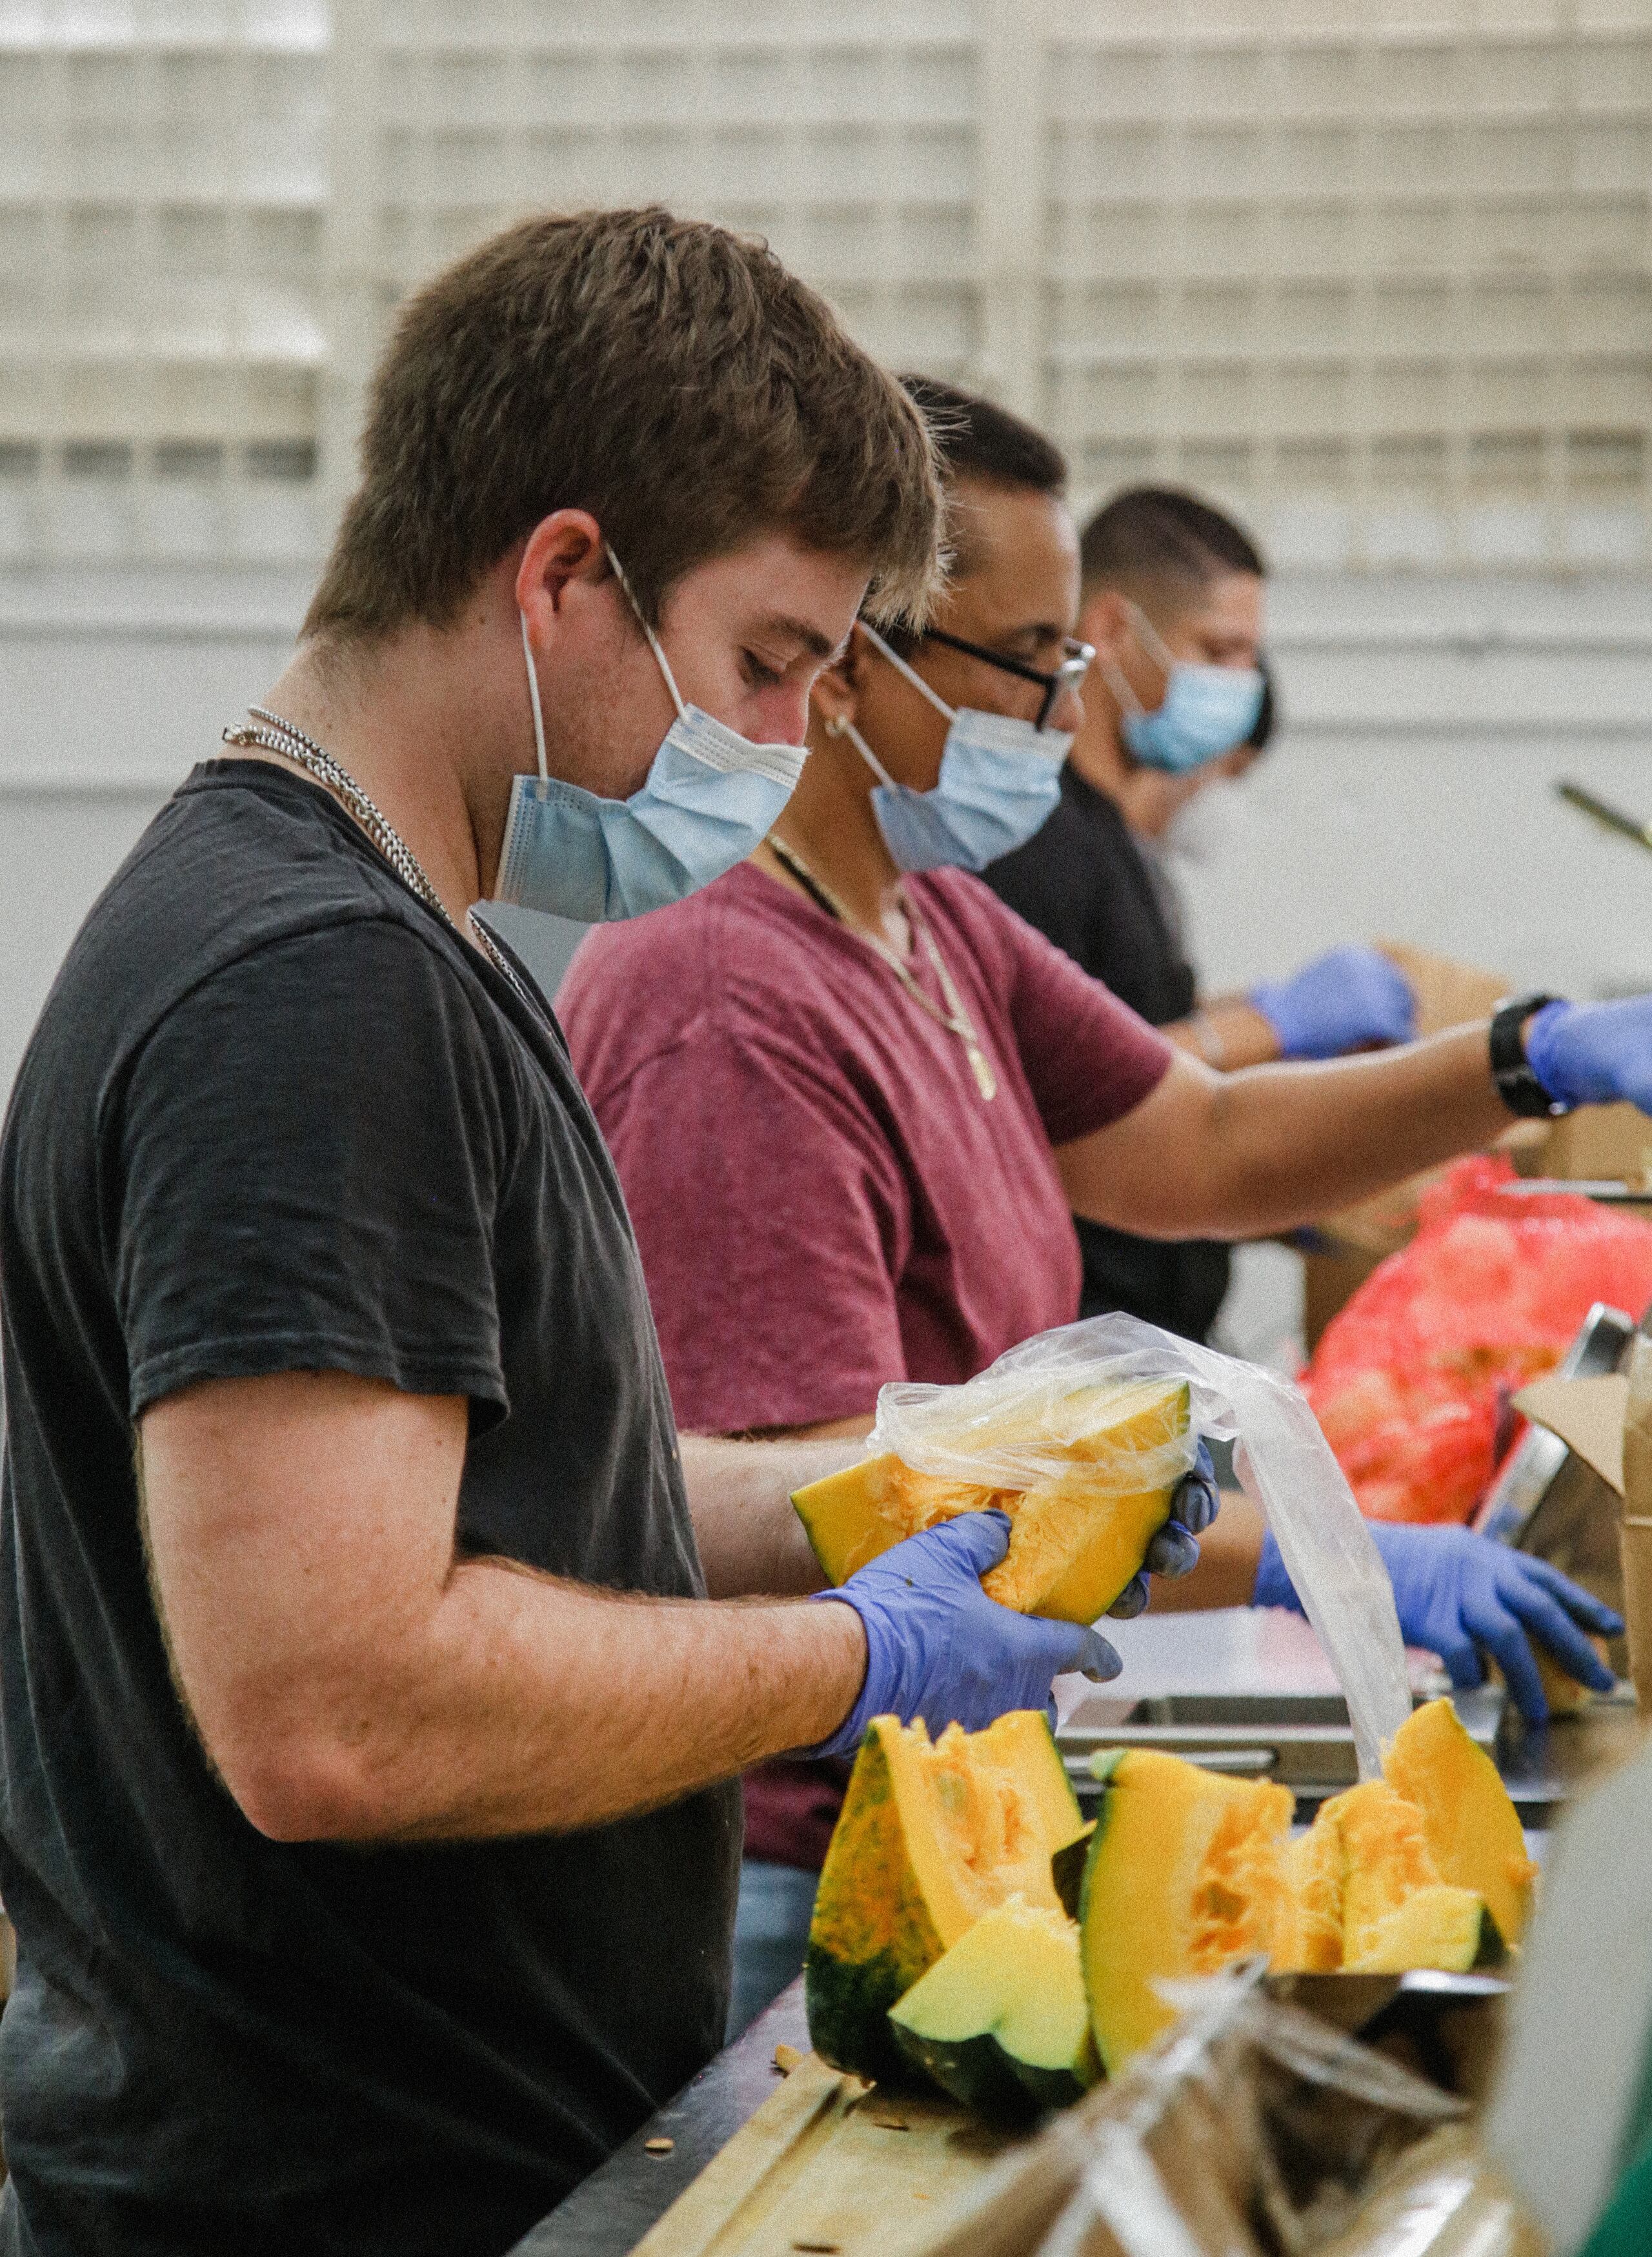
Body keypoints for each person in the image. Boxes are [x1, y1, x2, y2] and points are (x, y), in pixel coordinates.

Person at [0, 214, 1225, 2257]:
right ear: (564, 575)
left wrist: (875, 1489)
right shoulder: (311, 985)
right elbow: (337, 1700)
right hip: (342, 2198)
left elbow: (501, 1509)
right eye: (766, 663)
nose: (788, 736)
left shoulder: (418, 939)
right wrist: (848, 1658)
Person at [557, 375, 1640, 2033]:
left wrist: (1525, 1056)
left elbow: (1203, 1143)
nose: (1067, 712)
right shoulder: (725, 1000)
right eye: (1030, 661)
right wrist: (1314, 1558)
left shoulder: (931, 931)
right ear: (848, 660)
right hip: (793, 1859)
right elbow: (861, 1505)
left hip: (954, 1801)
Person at [986, 485, 1416, 1344]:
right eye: (1217, 651)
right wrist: (1270, 1025)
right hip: (1073, 1344)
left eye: (1248, 659)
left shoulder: (1113, 846)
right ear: (1108, 631)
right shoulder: (1034, 841)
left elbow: (1139, 1029)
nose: (1239, 687)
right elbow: (1054, 1095)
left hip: (1142, 1336)